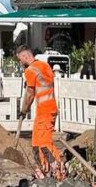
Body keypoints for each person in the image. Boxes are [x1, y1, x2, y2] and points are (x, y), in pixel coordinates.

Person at [15, 45, 62, 176]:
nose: (20, 62)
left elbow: (30, 93)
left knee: (44, 143)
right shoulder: (44, 65)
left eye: (20, 59)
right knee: (36, 142)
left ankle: (59, 170)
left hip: (45, 111)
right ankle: (43, 170)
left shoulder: (30, 70)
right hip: (48, 110)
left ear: (25, 56)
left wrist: (24, 110)